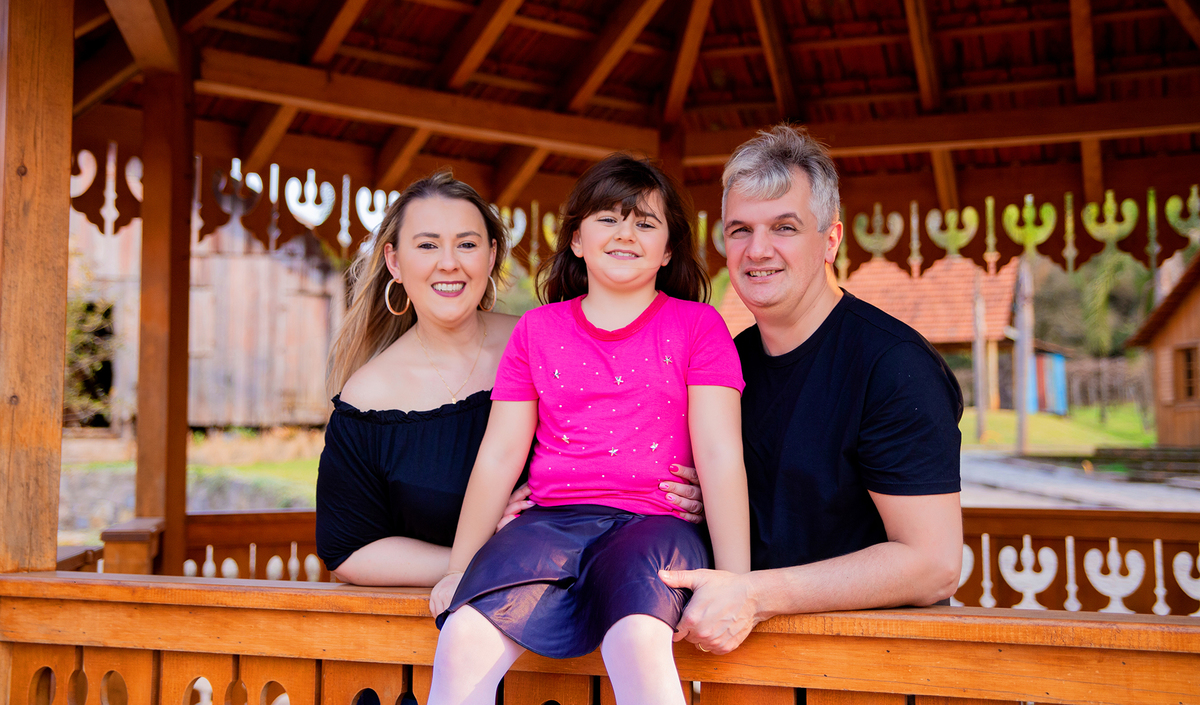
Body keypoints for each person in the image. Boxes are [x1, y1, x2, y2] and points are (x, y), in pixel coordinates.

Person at [425, 155, 749, 705]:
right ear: (576, 238)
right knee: (462, 635)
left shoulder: (698, 327)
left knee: (637, 639)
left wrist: (737, 581)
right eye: (607, 218)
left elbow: (720, 454)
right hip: (550, 523)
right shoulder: (538, 329)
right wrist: (459, 570)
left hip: (655, 522)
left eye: (645, 223)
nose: (626, 233)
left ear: (668, 250)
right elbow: (501, 453)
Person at [315, 171, 709, 586]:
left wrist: (690, 491)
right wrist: (487, 559)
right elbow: (348, 550)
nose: (449, 262)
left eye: (467, 244)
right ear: (395, 261)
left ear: (491, 256)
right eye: (428, 245)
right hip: (461, 613)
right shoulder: (368, 397)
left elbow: (641, 432)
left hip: (610, 584)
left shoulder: (545, 342)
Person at [659, 124, 964, 653]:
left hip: (870, 666)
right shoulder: (728, 363)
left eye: (784, 227)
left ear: (831, 239)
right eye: (739, 230)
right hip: (750, 668)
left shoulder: (893, 366)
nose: (757, 250)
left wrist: (754, 593)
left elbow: (933, 564)